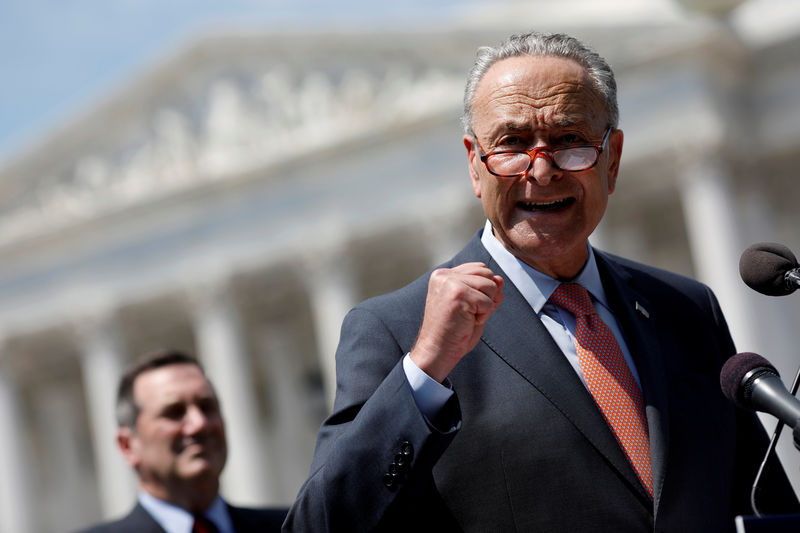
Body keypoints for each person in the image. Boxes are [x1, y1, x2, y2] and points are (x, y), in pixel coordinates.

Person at [283, 31, 799, 532]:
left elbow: (763, 503)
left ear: (612, 160)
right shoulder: (398, 329)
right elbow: (319, 523)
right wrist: (423, 371)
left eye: (570, 141)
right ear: (474, 164)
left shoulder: (685, 309)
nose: (542, 169)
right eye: (511, 144)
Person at [75, 349, 286, 533]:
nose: (199, 423)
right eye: (174, 412)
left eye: (207, 407)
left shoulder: (292, 528)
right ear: (127, 445)